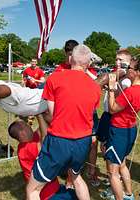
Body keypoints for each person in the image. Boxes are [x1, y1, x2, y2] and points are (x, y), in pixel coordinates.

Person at [26, 44, 101, 200]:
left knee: (33, 190)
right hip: (83, 142)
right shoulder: (95, 87)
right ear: (88, 63)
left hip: (59, 140)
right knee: (76, 178)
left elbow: (53, 114)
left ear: (70, 58)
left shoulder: (55, 78)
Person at [8, 114, 78, 200]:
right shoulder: (24, 149)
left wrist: (44, 112)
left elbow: (43, 128)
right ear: (22, 133)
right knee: (78, 195)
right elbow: (45, 142)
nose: (30, 126)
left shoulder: (31, 139)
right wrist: (39, 115)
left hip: (53, 188)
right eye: (27, 125)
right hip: (47, 195)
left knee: (76, 193)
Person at [105, 58, 140, 200]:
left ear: (137, 72)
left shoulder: (131, 91)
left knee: (113, 171)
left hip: (119, 131)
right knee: (122, 164)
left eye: (130, 68)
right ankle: (129, 194)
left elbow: (113, 109)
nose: (127, 70)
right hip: (131, 129)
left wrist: (112, 90)